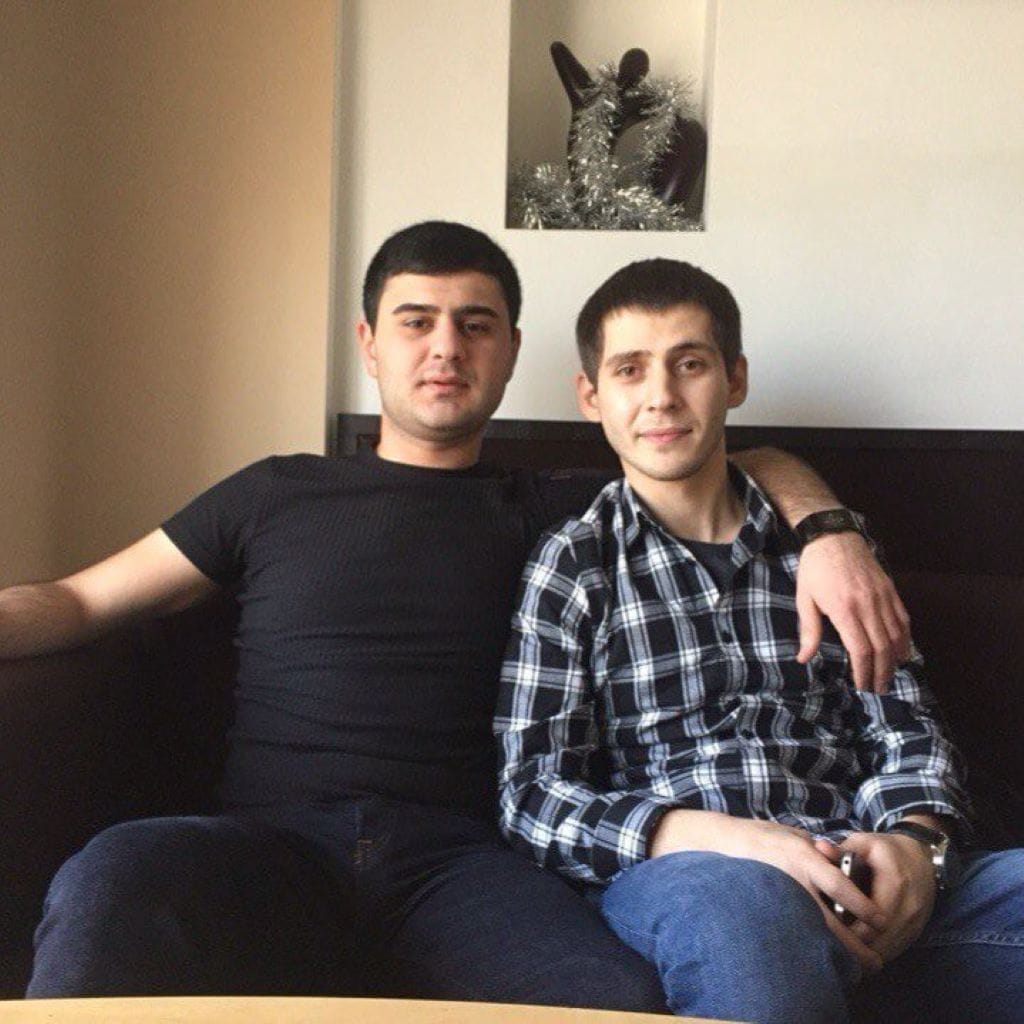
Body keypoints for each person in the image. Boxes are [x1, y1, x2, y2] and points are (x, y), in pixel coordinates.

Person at [3, 223, 905, 1006]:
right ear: (369, 343)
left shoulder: (558, 512)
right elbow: (80, 599)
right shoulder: (274, 492)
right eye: (416, 321)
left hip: (466, 864)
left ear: (510, 350)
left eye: (475, 325)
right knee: (110, 877)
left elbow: (732, 457)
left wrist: (830, 535)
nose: (446, 348)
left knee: (609, 996)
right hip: (269, 842)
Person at [495, 257, 1024, 1023]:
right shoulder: (575, 563)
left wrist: (917, 842)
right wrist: (727, 839)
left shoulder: (829, 555)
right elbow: (532, 794)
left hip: (856, 863)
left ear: (734, 378)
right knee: (749, 920)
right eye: (630, 370)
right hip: (698, 878)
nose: (661, 395)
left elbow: (908, 728)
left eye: (690, 364)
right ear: (591, 396)